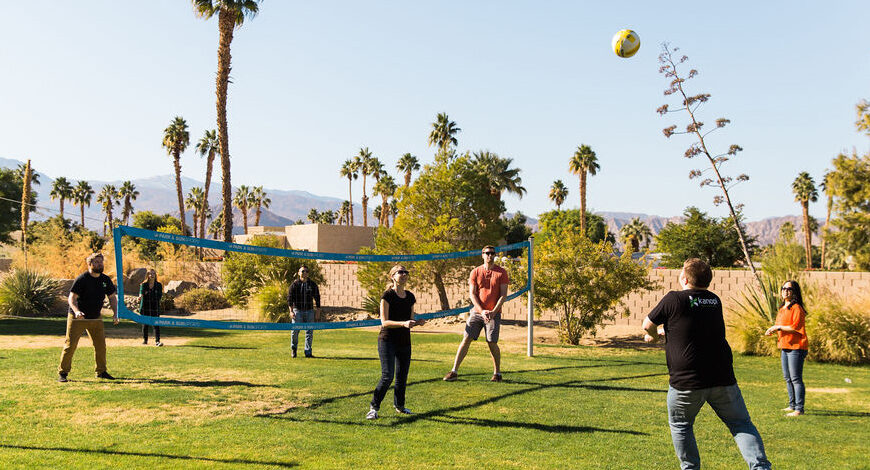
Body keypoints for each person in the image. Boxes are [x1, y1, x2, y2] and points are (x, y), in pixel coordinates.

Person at [642, 258, 771, 470]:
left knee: (681, 426)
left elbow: (647, 325)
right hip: (722, 378)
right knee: (740, 424)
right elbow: (695, 327)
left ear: (683, 278)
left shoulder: (674, 298)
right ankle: (760, 467)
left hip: (687, 383)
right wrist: (669, 330)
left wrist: (655, 337)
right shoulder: (714, 300)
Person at [443, 245, 509, 383]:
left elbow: (503, 295)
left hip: (493, 313)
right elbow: (472, 295)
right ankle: (454, 371)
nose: (490, 256)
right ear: (482, 255)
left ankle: (497, 373)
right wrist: (481, 310)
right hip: (477, 312)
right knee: (466, 339)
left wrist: (493, 312)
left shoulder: (502, 273)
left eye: (492, 253)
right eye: (487, 253)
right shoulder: (475, 272)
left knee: (491, 342)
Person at [367, 264, 423, 419]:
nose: (404, 274)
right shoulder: (387, 296)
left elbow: (410, 318)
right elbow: (384, 322)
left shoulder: (410, 296)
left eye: (406, 272)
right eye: (400, 272)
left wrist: (417, 322)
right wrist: (403, 324)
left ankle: (400, 406)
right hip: (387, 340)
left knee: (402, 376)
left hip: (404, 340)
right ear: (393, 276)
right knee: (387, 375)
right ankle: (374, 407)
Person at [57, 252, 119, 382]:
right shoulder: (82, 279)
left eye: (101, 262)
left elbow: (112, 297)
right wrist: (77, 311)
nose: (99, 264)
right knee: (70, 345)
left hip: (96, 317)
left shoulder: (105, 279)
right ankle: (63, 373)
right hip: (78, 318)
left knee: (100, 345)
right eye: (96, 262)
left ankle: (101, 372)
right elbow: (72, 298)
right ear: (89, 264)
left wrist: (115, 314)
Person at [765, 279, 809, 417]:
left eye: (788, 289)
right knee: (788, 378)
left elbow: (795, 327)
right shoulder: (782, 308)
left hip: (796, 347)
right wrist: (774, 329)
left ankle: (799, 409)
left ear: (794, 292)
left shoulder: (797, 308)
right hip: (785, 346)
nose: (785, 291)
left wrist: (777, 327)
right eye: (783, 288)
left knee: (796, 378)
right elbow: (782, 326)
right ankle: (792, 405)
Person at [287, 265, 321, 358]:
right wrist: (291, 311)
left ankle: (308, 352)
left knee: (309, 332)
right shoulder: (294, 285)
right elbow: (290, 299)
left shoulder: (312, 284)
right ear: (299, 273)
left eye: (306, 271)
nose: (304, 273)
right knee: (295, 331)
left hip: (309, 311)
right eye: (302, 271)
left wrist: (318, 311)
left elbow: (317, 298)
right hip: (297, 311)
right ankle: (294, 349)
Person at [139, 268, 163, 347]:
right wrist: (142, 295)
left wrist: (147, 293)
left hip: (155, 307)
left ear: (155, 275)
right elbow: (141, 294)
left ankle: (157, 341)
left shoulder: (159, 285)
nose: (152, 275)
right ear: (147, 275)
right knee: (145, 324)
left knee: (156, 324)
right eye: (150, 274)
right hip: (145, 306)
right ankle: (145, 340)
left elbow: (158, 296)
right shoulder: (143, 284)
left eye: (153, 274)